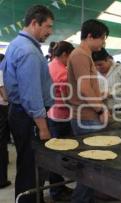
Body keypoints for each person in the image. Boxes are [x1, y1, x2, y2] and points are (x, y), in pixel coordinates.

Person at [1, 5, 54, 203]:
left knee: (26, 164)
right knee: (31, 166)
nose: (50, 32)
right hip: (28, 116)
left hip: (19, 112)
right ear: (34, 23)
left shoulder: (16, 44)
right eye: (47, 26)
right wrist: (42, 127)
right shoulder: (29, 51)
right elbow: (31, 95)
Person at [67, 19, 110, 203]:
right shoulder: (80, 56)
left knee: (92, 164)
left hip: (87, 115)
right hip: (86, 117)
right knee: (91, 166)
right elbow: (84, 89)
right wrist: (100, 110)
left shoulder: (85, 55)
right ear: (90, 36)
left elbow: (88, 87)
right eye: (102, 39)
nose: (103, 43)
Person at [47, 41, 74, 201]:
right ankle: (58, 191)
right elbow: (67, 99)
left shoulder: (51, 65)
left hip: (52, 113)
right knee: (62, 155)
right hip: (62, 116)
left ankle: (57, 188)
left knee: (54, 153)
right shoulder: (63, 72)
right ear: (65, 54)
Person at [0, 53, 11, 189]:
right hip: (2, 109)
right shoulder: (1, 73)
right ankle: (1, 179)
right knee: (1, 144)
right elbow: (4, 95)